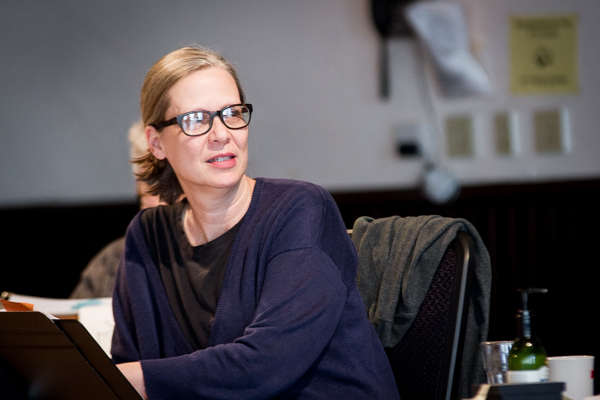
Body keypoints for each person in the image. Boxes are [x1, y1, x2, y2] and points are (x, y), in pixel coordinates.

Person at [111, 45, 400, 399]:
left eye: (232, 113)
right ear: (156, 143)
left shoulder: (301, 209)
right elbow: (123, 371)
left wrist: (136, 379)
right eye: (197, 119)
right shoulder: (146, 237)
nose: (221, 133)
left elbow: (265, 366)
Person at [70, 121, 161, 299]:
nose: (162, 201)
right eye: (152, 186)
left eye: (176, 186)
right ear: (138, 189)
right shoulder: (114, 259)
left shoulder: (218, 255)